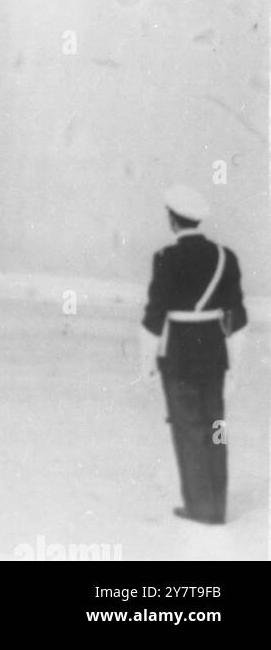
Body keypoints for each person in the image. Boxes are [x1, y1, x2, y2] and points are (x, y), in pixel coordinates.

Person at [139, 185, 248, 525]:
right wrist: (234, 369)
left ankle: (201, 508)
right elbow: (238, 320)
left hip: (180, 356)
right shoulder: (225, 257)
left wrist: (146, 365)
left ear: (173, 220)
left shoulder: (165, 259)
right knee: (217, 426)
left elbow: (153, 319)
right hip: (215, 355)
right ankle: (218, 504)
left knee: (188, 428)